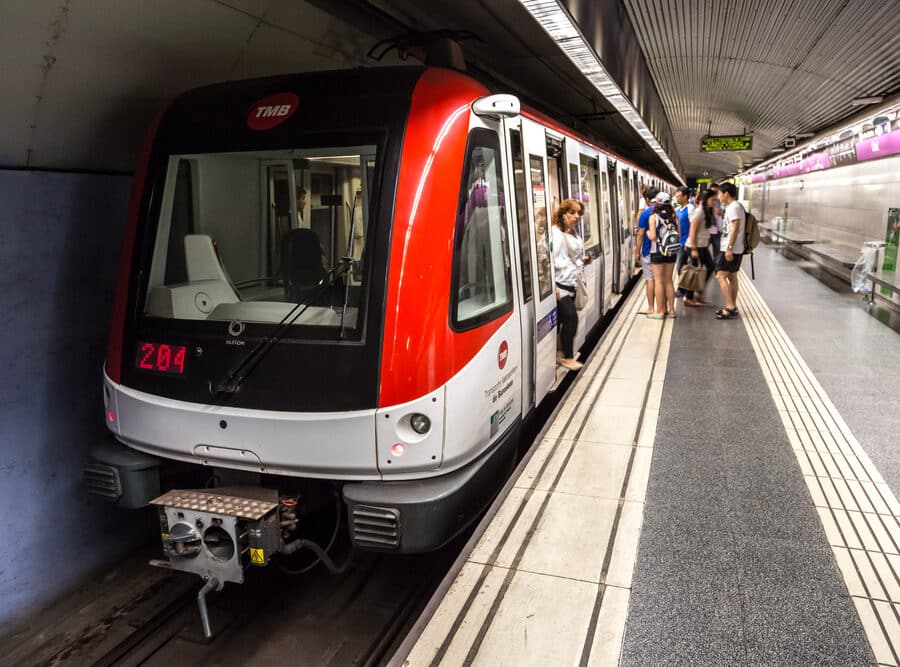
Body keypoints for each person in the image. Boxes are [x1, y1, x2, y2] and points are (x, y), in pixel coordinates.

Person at [552, 199, 592, 370]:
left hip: (572, 283)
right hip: (561, 286)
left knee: (562, 322)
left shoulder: (572, 232)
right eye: (573, 212)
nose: (577, 216)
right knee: (571, 320)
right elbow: (550, 261)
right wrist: (553, 287)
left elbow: (569, 257)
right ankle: (566, 357)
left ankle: (557, 354)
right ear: (563, 214)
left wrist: (582, 260)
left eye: (579, 213)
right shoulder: (556, 234)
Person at [682, 189, 718, 306]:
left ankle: (699, 293)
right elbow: (692, 231)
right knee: (694, 272)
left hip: (702, 246)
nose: (714, 202)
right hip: (694, 246)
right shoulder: (699, 212)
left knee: (710, 267)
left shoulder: (708, 211)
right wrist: (693, 249)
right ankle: (689, 297)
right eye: (713, 199)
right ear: (706, 199)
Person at [646, 192, 679, 319]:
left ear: (657, 203)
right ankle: (671, 310)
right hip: (671, 252)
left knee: (659, 281)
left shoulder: (653, 217)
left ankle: (659, 311)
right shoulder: (674, 216)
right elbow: (679, 235)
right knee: (669, 281)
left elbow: (653, 237)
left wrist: (648, 233)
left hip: (658, 252)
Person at [715, 182, 745, 319]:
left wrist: (729, 248)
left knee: (720, 276)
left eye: (720, 193)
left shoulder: (733, 207)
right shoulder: (737, 206)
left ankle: (730, 307)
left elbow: (735, 228)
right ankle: (732, 305)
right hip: (736, 248)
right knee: (732, 277)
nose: (718, 196)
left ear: (726, 193)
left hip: (730, 248)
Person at [634, 187, 659, 315]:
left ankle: (650, 308)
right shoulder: (666, 210)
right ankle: (663, 308)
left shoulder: (646, 213)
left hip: (649, 251)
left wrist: (637, 252)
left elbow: (640, 235)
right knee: (663, 281)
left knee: (650, 280)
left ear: (647, 200)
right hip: (664, 252)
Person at [673, 187, 692, 298]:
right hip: (679, 242)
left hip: (686, 242)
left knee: (681, 266)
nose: (676, 198)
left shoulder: (690, 209)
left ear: (685, 197)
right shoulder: (678, 209)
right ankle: (683, 288)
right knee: (681, 266)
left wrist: (690, 243)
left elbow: (694, 226)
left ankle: (682, 289)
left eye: (678, 196)